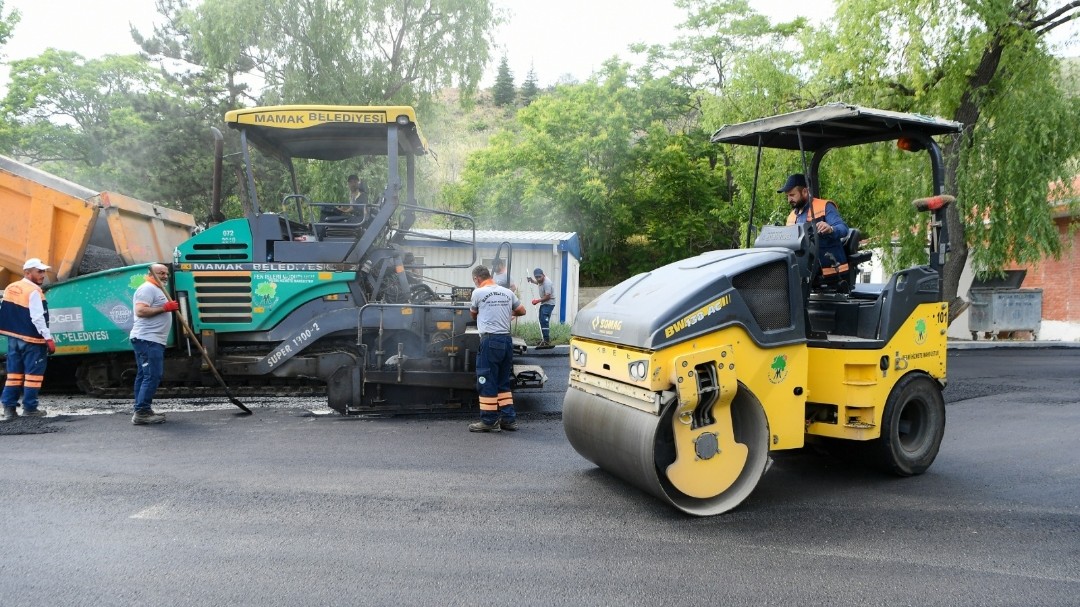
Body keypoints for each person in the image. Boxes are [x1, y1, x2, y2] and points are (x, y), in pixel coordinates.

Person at [468, 264, 526, 433]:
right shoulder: (507, 292)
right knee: (503, 382)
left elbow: (473, 314)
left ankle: (488, 420)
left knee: (486, 380)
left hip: (489, 341)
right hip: (507, 341)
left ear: (477, 279)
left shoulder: (478, 292)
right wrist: (508, 313)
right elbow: (522, 310)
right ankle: (509, 420)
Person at [0, 258, 54, 421]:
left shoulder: (11, 287)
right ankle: (30, 408)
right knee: (33, 375)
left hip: (14, 339)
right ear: (27, 272)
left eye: (43, 271)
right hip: (32, 340)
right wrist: (48, 338)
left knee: (14, 374)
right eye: (39, 271)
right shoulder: (34, 291)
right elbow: (38, 318)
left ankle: (9, 409)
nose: (43, 275)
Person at [129, 263, 178, 425]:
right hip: (148, 339)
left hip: (150, 339)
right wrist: (165, 308)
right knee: (152, 375)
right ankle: (142, 412)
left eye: (166, 273)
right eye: (160, 273)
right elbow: (141, 311)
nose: (164, 276)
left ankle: (141, 409)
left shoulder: (157, 288)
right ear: (151, 274)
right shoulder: (147, 288)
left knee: (144, 375)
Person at [778, 173, 850, 278]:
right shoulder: (791, 217)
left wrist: (831, 229)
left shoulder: (825, 207)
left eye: (792, 195)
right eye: (787, 196)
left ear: (805, 192)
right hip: (803, 272)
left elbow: (843, 229)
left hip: (829, 271)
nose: (789, 200)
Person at [527, 268, 556, 348]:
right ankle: (544, 339)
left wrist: (537, 301)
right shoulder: (540, 281)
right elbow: (538, 283)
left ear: (543, 275)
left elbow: (548, 297)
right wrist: (532, 281)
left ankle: (546, 341)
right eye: (536, 277)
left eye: (539, 277)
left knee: (544, 320)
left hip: (549, 303)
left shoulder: (547, 283)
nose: (538, 279)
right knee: (541, 320)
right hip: (544, 303)